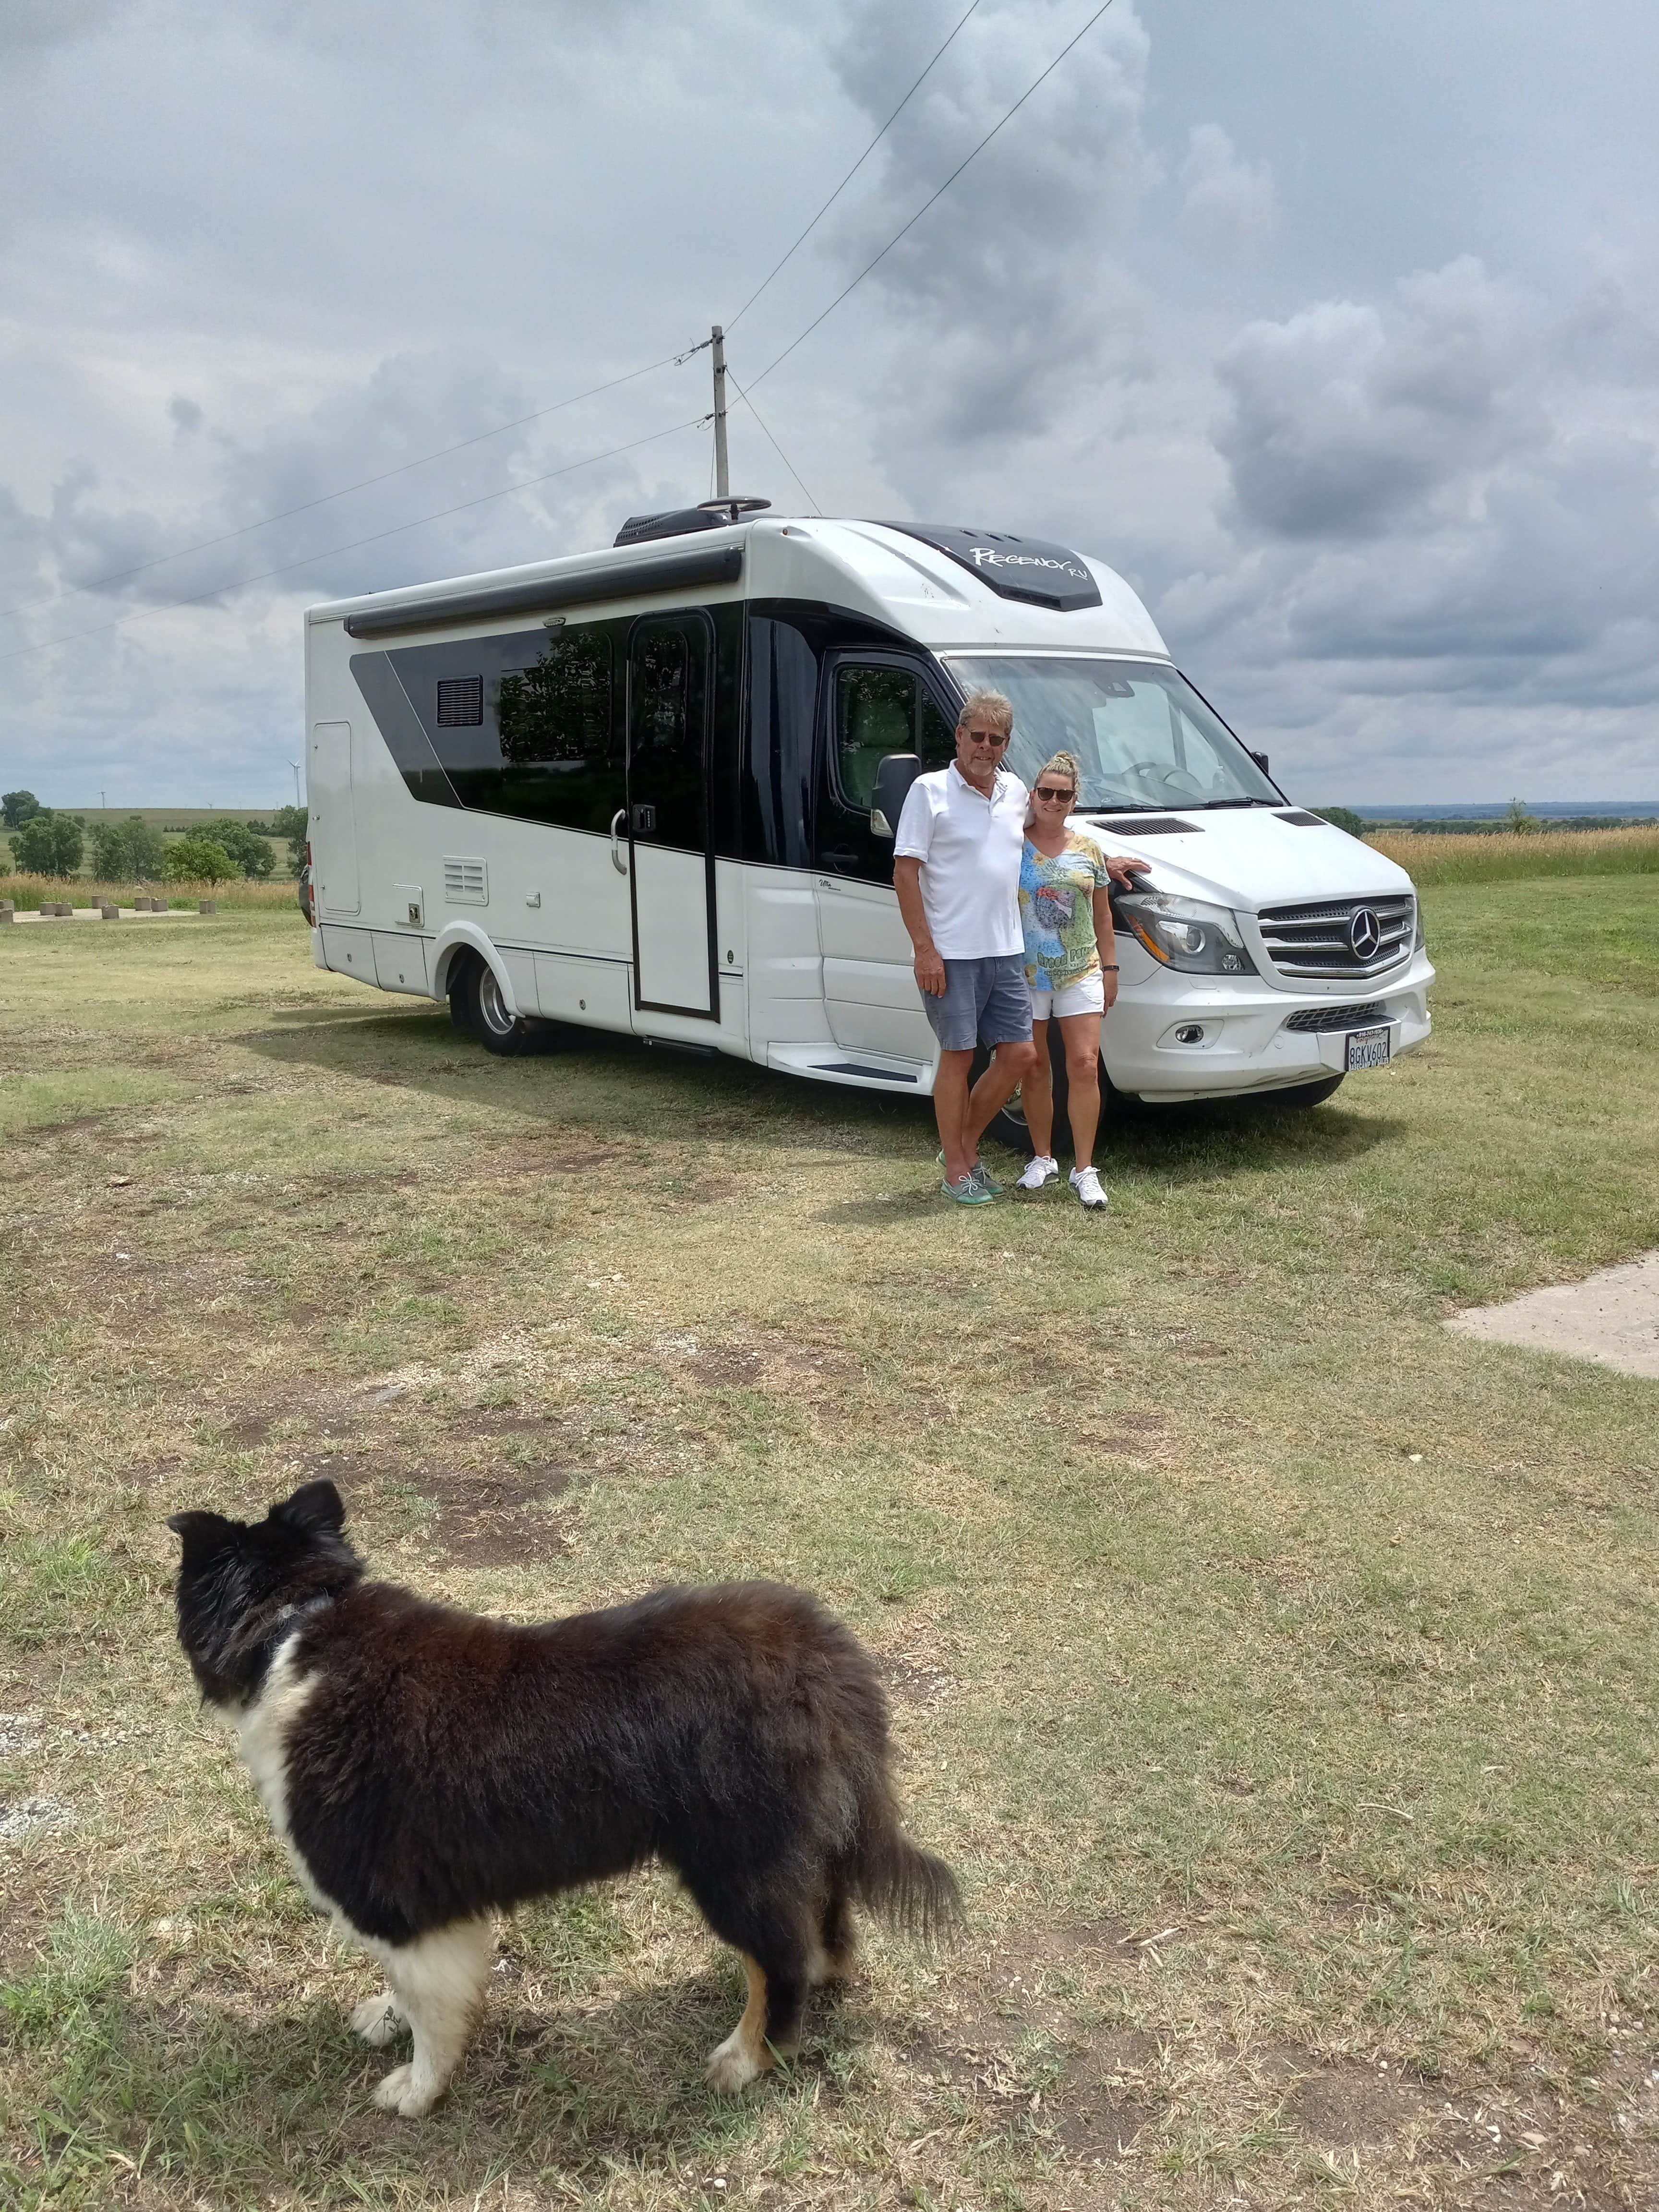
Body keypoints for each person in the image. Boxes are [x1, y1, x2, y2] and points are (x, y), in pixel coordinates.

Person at [893, 690, 1039, 1204]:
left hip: (1006, 949)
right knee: (957, 1058)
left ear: (1005, 745)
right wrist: (924, 951)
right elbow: (905, 873)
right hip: (951, 954)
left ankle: (962, 1146)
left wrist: (1104, 864)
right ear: (958, 736)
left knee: (1020, 1055)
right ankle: (959, 1170)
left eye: (995, 740)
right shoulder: (929, 791)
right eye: (976, 735)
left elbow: (1047, 838)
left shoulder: (1016, 792)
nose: (984, 746)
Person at [1014, 749, 1126, 1212]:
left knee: (1083, 1064)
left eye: (1063, 794)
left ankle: (1084, 1169)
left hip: (1081, 970)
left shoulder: (1089, 851)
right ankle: (1043, 1158)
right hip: (1025, 973)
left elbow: (1103, 916)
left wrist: (1112, 969)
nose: (1053, 801)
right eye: (1046, 792)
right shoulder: (1012, 844)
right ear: (1033, 795)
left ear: (1073, 801)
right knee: (1034, 1067)